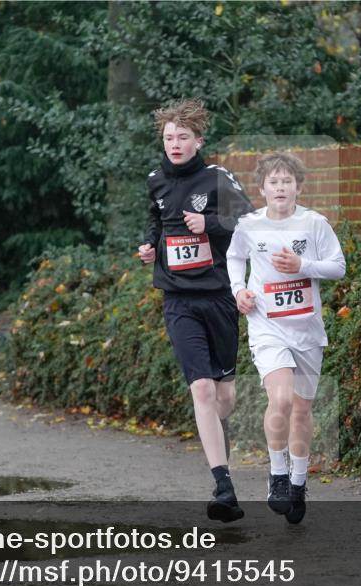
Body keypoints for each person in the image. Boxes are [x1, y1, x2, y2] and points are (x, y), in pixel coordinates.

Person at [137, 99, 255, 522]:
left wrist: (211, 226)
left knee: (224, 394)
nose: (174, 144)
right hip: (178, 300)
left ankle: (218, 436)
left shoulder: (218, 178)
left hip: (219, 295)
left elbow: (251, 224)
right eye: (168, 138)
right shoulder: (155, 180)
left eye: (182, 137)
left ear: (198, 140)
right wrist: (150, 244)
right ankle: (224, 486)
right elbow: (156, 219)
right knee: (201, 389)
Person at [226, 152, 346, 524]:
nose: (280, 187)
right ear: (261, 188)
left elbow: (338, 266)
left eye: (286, 181)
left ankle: (297, 482)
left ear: (298, 186)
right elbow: (234, 258)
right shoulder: (249, 225)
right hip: (267, 326)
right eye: (273, 182)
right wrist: (238, 291)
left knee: (302, 409)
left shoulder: (314, 223)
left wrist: (302, 266)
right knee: (280, 399)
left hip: (307, 329)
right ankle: (277, 476)